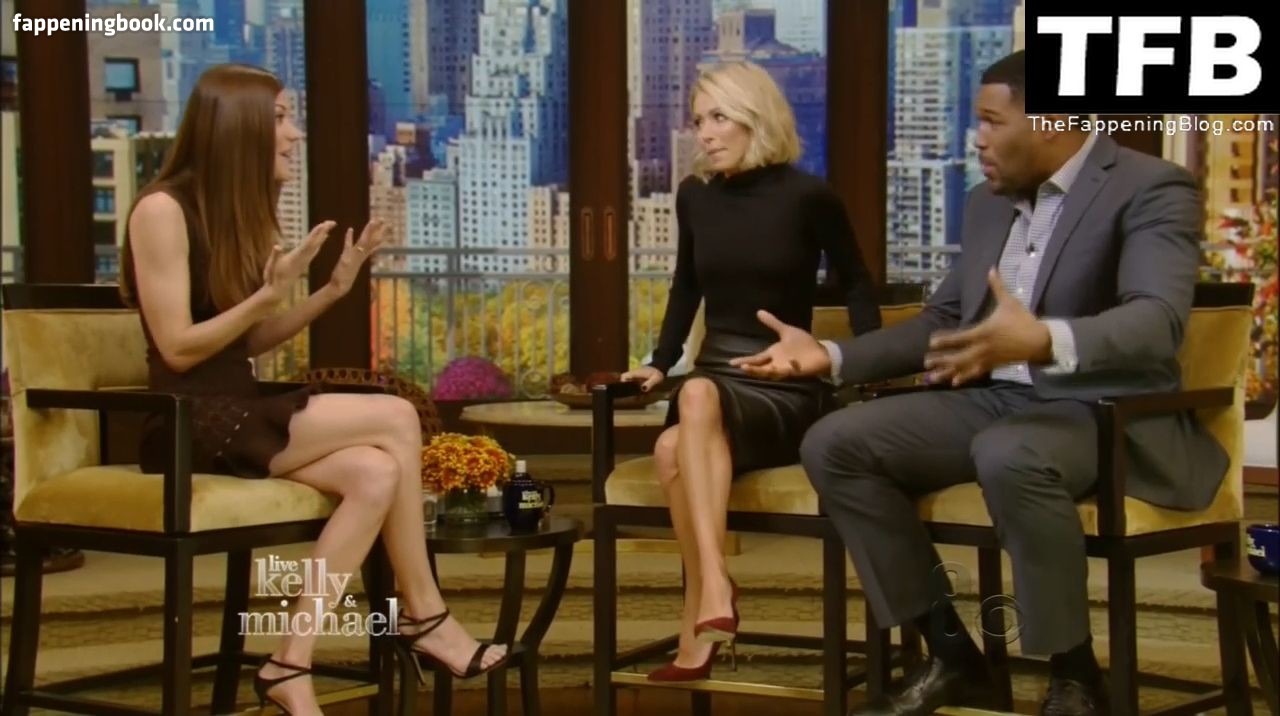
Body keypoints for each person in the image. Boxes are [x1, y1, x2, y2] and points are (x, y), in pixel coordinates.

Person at [731, 50, 1228, 716]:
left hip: (1098, 407)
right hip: (995, 399)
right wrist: (831, 355)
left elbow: (1157, 320)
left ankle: (1075, 674)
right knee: (836, 442)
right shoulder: (985, 204)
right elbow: (945, 320)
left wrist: (1044, 339)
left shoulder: (1150, 186)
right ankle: (952, 657)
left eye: (992, 121)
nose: (978, 139)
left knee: (1010, 452)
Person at [118, 64, 507, 716]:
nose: (294, 134)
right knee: (395, 416)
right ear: (239, 126)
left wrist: (330, 292)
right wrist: (267, 295)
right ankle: (425, 614)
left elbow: (242, 343)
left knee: (376, 473)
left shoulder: (230, 213)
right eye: (280, 119)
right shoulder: (162, 210)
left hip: (236, 406)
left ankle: (288, 663)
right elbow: (179, 346)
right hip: (187, 422)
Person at [620, 61, 882, 682]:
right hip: (712, 382)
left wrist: (868, 369)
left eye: (719, 117)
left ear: (754, 118)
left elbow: (857, 285)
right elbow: (686, 287)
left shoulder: (810, 197)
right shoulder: (695, 196)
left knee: (693, 407)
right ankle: (711, 597)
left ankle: (708, 598)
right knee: (672, 442)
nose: (705, 133)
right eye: (698, 121)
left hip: (782, 385)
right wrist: (659, 362)